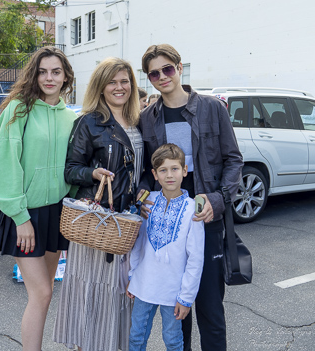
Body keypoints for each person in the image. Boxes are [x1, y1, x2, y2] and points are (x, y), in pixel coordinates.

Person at [138, 44, 243, 351]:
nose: (162, 77)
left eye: (167, 69)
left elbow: (233, 160)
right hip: (170, 214)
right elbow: (147, 169)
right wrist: (144, 196)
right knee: (176, 308)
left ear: (180, 68)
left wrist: (218, 200)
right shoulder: (148, 117)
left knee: (210, 305)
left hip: (204, 208)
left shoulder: (211, 107)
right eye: (154, 73)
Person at [0, 46, 77, 351]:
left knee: (46, 291)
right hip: (26, 215)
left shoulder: (70, 117)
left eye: (56, 72)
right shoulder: (18, 110)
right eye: (42, 71)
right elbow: (2, 166)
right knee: (41, 294)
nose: (49, 78)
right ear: (33, 75)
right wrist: (20, 216)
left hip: (57, 215)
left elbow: (72, 167)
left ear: (66, 77)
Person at [53, 57, 143, 351]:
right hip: (98, 224)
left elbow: (141, 171)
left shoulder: (138, 120)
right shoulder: (89, 121)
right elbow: (70, 168)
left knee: (120, 296)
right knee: (91, 296)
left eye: (124, 81)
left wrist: (143, 193)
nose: (119, 87)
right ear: (101, 87)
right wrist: (92, 172)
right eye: (112, 82)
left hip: (127, 224)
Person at [127, 144, 205, 351]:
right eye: (163, 170)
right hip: (144, 284)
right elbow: (138, 243)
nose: (169, 175)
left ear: (184, 170)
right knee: (136, 337)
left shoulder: (193, 208)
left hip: (173, 290)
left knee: (172, 339)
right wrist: (132, 275)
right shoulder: (148, 201)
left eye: (174, 169)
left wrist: (186, 297)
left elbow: (195, 258)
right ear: (154, 174)